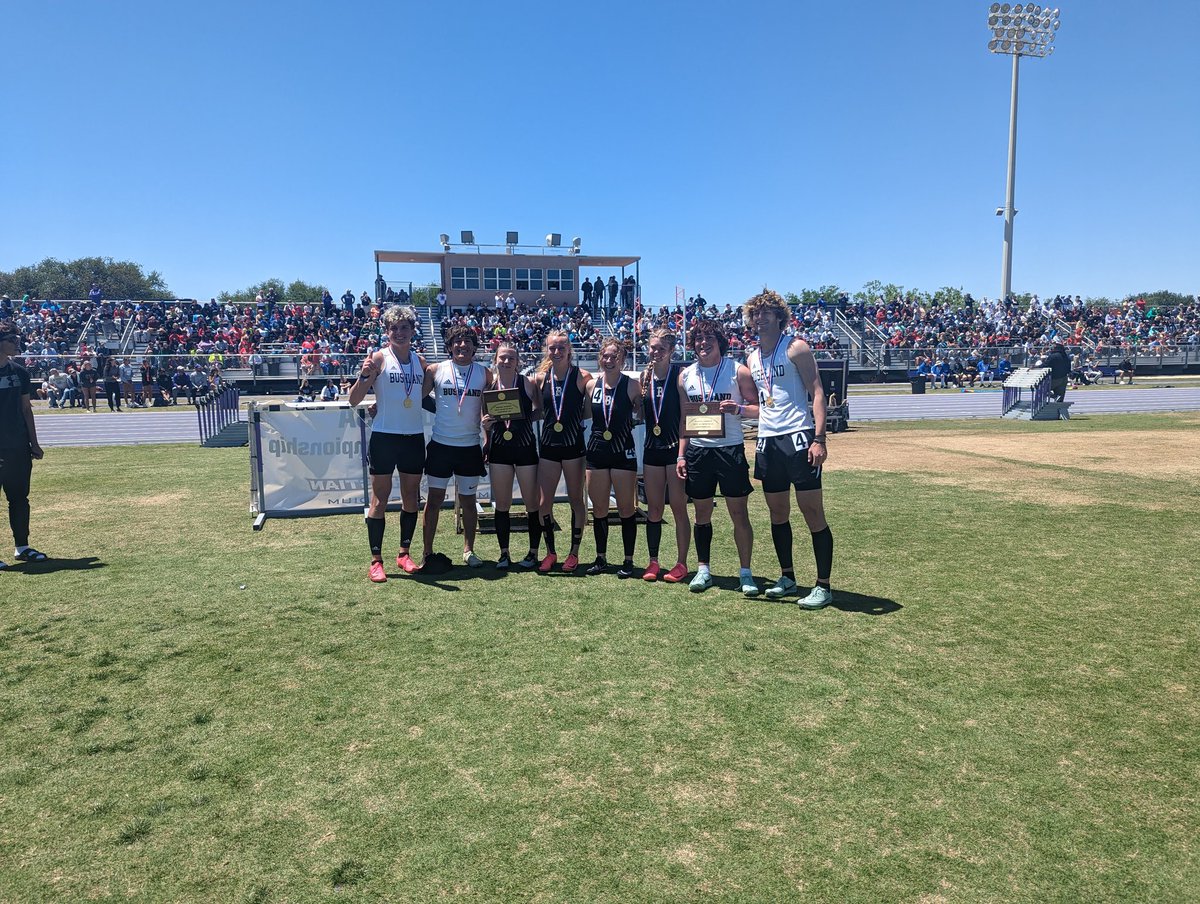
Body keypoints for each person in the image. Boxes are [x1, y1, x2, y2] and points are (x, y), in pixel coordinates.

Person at [744, 289, 834, 609]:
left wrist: (819, 438)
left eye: (768, 312)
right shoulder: (752, 358)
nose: (761, 318)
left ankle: (823, 585)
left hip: (798, 437)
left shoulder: (796, 347)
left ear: (780, 317)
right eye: (757, 313)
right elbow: (762, 404)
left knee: (812, 512)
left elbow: (817, 392)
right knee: (778, 513)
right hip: (767, 441)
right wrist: (738, 410)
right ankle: (788, 577)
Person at [675, 319, 760, 597]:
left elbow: (759, 410)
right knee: (702, 514)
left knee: (739, 513)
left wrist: (738, 409)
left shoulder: (739, 371)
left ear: (720, 341)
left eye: (709, 338)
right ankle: (703, 569)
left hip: (730, 449)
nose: (703, 343)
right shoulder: (685, 375)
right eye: (698, 338)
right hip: (699, 452)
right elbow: (684, 420)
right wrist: (681, 455)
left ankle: (745, 573)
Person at [349, 305, 429, 583]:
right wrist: (364, 375)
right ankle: (376, 560)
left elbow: (426, 394)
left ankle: (404, 553)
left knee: (411, 498)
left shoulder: (420, 362)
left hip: (413, 437)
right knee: (379, 500)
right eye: (394, 328)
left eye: (405, 327)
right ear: (387, 331)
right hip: (385, 437)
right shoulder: (379, 358)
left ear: (412, 330)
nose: (400, 332)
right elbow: (354, 399)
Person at [420, 324, 490, 568]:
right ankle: (427, 552)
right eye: (457, 342)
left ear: (474, 347)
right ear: (449, 346)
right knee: (434, 500)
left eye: (468, 341)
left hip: (470, 447)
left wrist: (487, 436)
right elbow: (416, 397)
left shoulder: (484, 374)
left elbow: (490, 407)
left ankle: (469, 551)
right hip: (441, 445)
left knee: (469, 502)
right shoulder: (436, 370)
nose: (463, 346)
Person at [532, 330, 591, 573]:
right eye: (552, 348)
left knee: (576, 500)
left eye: (561, 348)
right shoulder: (540, 379)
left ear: (569, 350)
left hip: (574, 448)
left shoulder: (582, 377)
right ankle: (550, 553)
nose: (556, 352)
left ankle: (573, 553)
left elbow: (589, 411)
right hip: (548, 448)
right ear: (547, 350)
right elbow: (538, 411)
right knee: (544, 503)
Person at [583, 338, 642, 577]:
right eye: (605, 356)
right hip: (597, 451)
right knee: (599, 508)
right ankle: (601, 558)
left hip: (622, 451)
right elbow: (585, 414)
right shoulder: (591, 385)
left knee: (627, 508)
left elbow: (641, 413)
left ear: (622, 360)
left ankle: (628, 560)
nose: (609, 361)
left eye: (614, 357)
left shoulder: (632, 385)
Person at [482, 341, 542, 570]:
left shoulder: (527, 383)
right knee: (502, 504)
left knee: (531, 504)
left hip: (525, 449)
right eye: (502, 357)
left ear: (517, 362)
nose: (506, 362)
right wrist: (486, 428)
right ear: (495, 360)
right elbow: (484, 420)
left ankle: (533, 552)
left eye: (511, 358)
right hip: (499, 451)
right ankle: (504, 553)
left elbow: (539, 410)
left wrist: (523, 418)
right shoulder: (489, 387)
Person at [639, 328, 689, 583]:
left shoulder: (680, 376)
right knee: (654, 508)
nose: (656, 352)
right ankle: (653, 560)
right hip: (651, 451)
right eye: (653, 348)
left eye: (661, 348)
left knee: (679, 507)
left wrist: (682, 454)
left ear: (671, 351)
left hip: (673, 451)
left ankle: (681, 563)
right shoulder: (645, 376)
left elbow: (684, 419)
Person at [0, 322, 47, 568]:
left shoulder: (19, 372)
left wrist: (34, 443)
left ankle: (22, 547)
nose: (17, 345)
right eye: (11, 340)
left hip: (17, 445)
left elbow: (26, 409)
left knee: (19, 498)